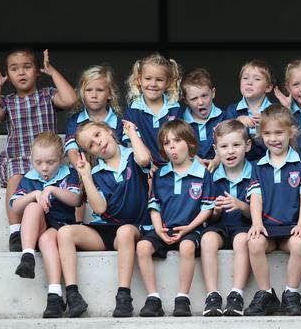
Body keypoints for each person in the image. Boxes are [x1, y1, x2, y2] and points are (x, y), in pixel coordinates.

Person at [0, 48, 77, 251]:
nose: (21, 73)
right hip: (20, 157)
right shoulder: (7, 101)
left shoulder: (48, 96)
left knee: (74, 178)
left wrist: (52, 72)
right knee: (15, 177)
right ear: (8, 75)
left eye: (27, 67)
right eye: (14, 69)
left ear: (37, 71)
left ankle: (75, 226)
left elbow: (70, 99)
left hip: (49, 158)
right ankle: (16, 231)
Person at [57, 120, 152, 318]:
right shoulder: (96, 173)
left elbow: (144, 160)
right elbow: (100, 208)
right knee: (65, 232)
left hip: (132, 227)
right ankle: (73, 294)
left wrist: (132, 133)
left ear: (109, 130)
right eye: (90, 145)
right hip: (104, 230)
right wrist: (86, 177)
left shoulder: (133, 155)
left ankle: (124, 296)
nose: (97, 143)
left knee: (125, 232)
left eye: (98, 135)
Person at [244, 105, 301, 316]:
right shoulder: (259, 165)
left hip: (291, 227)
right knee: (254, 242)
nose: (273, 138)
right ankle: (266, 293)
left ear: (291, 132)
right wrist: (257, 224)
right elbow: (256, 197)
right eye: (267, 133)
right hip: (268, 228)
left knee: (299, 243)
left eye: (279, 132)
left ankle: (291, 294)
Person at [137, 120, 215, 317]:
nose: (171, 146)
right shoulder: (161, 174)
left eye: (177, 140)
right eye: (166, 143)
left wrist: (188, 228)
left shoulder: (202, 174)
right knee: (142, 247)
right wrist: (158, 230)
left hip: (191, 229)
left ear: (190, 143)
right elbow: (154, 206)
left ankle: (183, 298)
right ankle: (153, 298)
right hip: (164, 229)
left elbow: (207, 208)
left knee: (187, 247)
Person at [10, 132, 81, 318]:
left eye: (50, 162)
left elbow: (76, 200)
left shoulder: (68, 175)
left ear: (62, 160)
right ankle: (27, 256)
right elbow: (15, 206)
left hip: (61, 227)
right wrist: (35, 194)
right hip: (36, 227)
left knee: (47, 239)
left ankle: (54, 295)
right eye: (38, 162)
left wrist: (51, 189)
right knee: (32, 207)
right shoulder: (29, 178)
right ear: (32, 160)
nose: (44, 168)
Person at [200, 120, 253, 316]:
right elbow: (210, 220)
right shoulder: (211, 175)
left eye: (236, 145)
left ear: (247, 146)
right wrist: (215, 212)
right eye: (224, 146)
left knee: (242, 240)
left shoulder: (255, 172)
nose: (230, 151)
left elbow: (257, 213)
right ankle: (212, 295)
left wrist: (241, 205)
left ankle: (236, 294)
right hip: (220, 226)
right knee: (207, 239)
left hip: (243, 226)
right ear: (216, 150)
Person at [64, 64, 124, 221]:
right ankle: (78, 223)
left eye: (100, 90)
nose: (94, 95)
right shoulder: (75, 121)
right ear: (82, 94)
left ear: (110, 94)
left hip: (110, 168)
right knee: (77, 179)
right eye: (89, 90)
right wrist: (83, 170)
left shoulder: (118, 122)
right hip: (84, 167)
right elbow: (72, 151)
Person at [122, 53, 182, 167]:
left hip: (172, 165)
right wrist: (149, 166)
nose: (153, 84)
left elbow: (180, 140)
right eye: (148, 78)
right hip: (143, 167)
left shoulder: (174, 107)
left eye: (159, 79)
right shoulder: (133, 109)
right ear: (139, 80)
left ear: (168, 82)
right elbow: (131, 144)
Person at [224, 60, 275, 162]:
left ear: (268, 87)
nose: (249, 82)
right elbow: (224, 141)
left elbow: (280, 146)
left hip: (268, 165)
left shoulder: (275, 112)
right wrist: (237, 123)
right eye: (245, 78)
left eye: (257, 79)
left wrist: (268, 124)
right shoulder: (232, 110)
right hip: (240, 166)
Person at [180, 68, 227, 171]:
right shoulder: (181, 123)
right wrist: (194, 158)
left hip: (221, 173)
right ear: (186, 100)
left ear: (213, 93)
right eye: (194, 98)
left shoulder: (225, 117)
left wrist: (217, 160)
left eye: (204, 95)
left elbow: (230, 144)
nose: (200, 102)